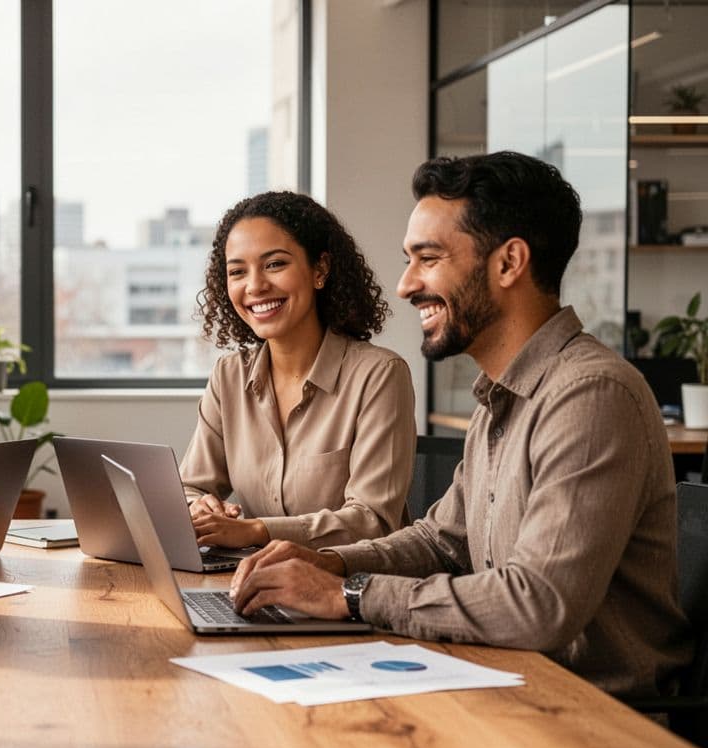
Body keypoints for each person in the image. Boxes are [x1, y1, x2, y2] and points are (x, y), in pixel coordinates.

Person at [228, 151, 691, 698]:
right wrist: (325, 562)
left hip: (589, 716)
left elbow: (539, 604)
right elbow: (442, 542)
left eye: (428, 258)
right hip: (503, 683)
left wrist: (349, 594)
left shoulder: (590, 395)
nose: (405, 285)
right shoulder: (501, 397)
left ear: (509, 262)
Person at [181, 191, 415, 550]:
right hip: (254, 584)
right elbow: (188, 487)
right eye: (237, 272)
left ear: (319, 269)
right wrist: (199, 507)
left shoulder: (379, 375)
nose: (255, 286)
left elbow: (373, 520)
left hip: (350, 590)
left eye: (274, 264)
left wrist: (258, 530)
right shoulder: (229, 377)